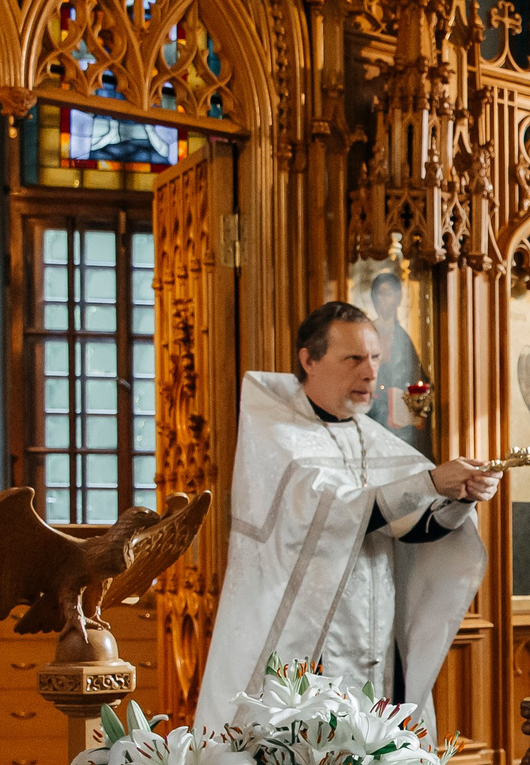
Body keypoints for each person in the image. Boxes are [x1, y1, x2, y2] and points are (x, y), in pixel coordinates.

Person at [194, 302, 497, 733]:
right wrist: (429, 482)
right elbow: (329, 513)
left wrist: (461, 497)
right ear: (309, 360)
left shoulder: (373, 438)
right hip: (301, 645)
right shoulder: (277, 434)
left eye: (375, 358)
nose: (371, 373)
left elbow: (408, 528)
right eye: (353, 358)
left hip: (376, 640)